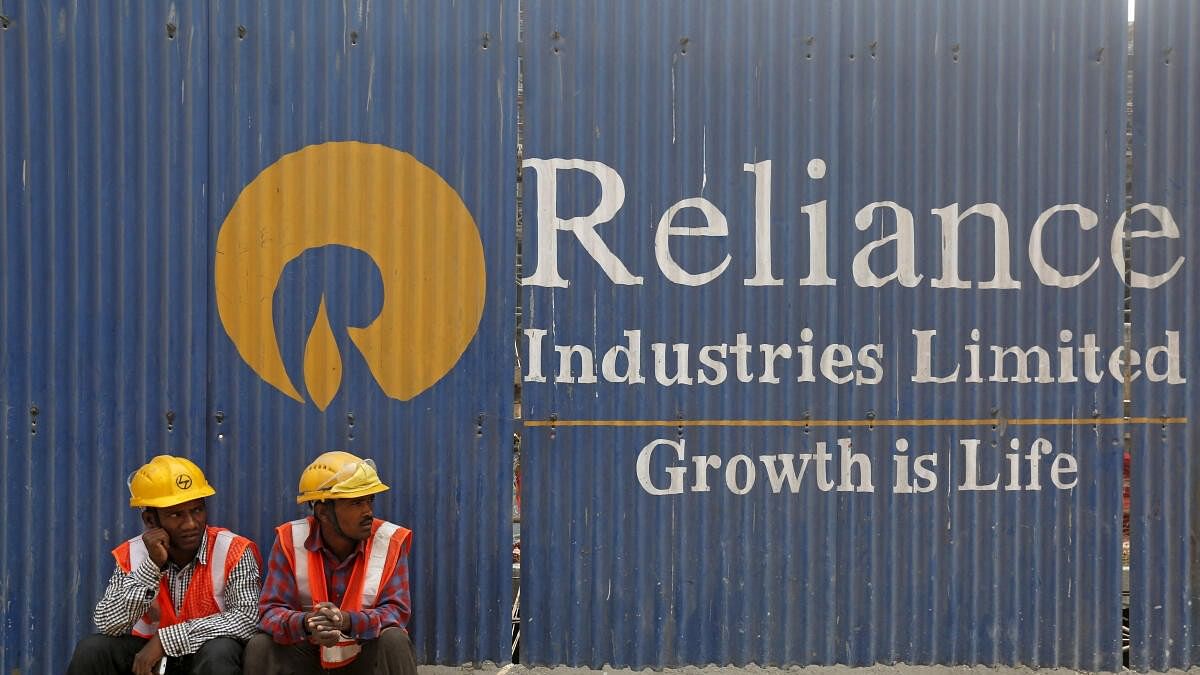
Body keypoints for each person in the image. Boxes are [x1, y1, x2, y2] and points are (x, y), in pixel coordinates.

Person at [67, 455, 262, 675]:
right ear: (150, 520)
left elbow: (248, 619)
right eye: (176, 514)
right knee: (93, 650)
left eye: (197, 510)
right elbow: (109, 623)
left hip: (204, 657)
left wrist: (166, 640)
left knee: (221, 650)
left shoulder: (233, 550)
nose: (191, 524)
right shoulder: (134, 553)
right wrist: (152, 566)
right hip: (149, 662)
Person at [244, 451, 416, 675]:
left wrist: (346, 621)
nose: (368, 512)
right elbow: (269, 613)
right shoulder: (290, 539)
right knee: (260, 646)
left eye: (370, 500)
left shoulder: (389, 541)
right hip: (310, 655)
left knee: (394, 639)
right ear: (323, 512)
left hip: (362, 656)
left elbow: (396, 613)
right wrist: (308, 623)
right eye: (356, 502)